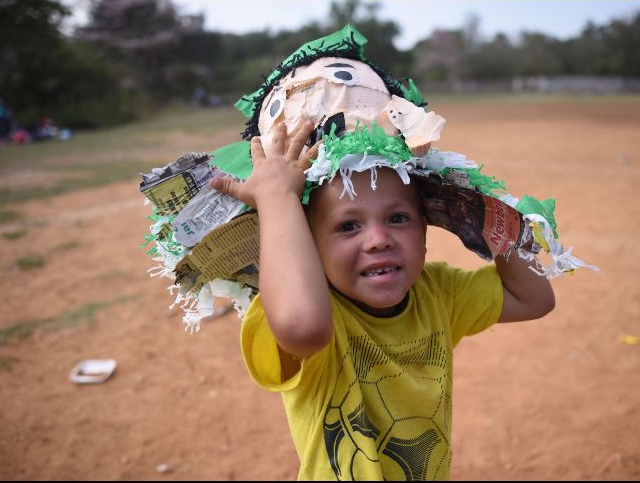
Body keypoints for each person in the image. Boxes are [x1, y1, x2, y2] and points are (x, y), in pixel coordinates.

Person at [210, 120, 555, 480]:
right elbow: (303, 327)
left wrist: (488, 215)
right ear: (308, 246)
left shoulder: (436, 292)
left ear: (424, 230)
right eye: (348, 226)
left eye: (397, 218)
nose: (378, 239)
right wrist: (277, 198)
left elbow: (532, 299)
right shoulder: (316, 309)